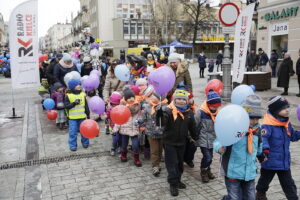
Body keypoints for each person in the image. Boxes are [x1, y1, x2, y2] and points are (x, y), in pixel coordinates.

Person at [215, 94, 263, 200]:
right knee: (235, 197)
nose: (254, 121)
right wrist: (220, 147)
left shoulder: (257, 130)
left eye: (257, 118)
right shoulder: (234, 126)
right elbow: (219, 139)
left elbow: (259, 145)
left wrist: (262, 155)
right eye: (251, 118)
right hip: (233, 172)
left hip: (249, 172)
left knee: (250, 197)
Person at [256, 96, 300, 200]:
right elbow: (264, 138)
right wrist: (265, 150)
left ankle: (293, 198)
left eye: (288, 107)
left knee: (289, 184)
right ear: (275, 110)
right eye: (284, 108)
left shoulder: (286, 123)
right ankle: (260, 194)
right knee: (264, 181)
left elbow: (292, 135)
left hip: (284, 162)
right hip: (270, 161)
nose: (287, 110)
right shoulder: (268, 124)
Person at [162, 88, 198, 196]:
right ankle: (173, 184)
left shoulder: (189, 113)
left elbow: (192, 127)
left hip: (182, 142)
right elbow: (162, 123)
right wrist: (160, 114)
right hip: (169, 142)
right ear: (174, 99)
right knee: (172, 164)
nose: (181, 101)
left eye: (184, 99)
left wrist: (195, 137)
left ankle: (178, 180)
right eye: (179, 99)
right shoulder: (168, 111)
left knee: (179, 164)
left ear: (187, 101)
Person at [137, 92, 168, 176]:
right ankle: (155, 166)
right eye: (151, 96)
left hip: (162, 133)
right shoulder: (148, 107)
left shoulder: (165, 107)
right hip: (151, 133)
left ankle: (157, 164)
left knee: (160, 149)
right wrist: (138, 122)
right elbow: (143, 118)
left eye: (154, 96)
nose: (151, 98)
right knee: (154, 150)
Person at [195, 90, 221, 183]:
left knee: (210, 156)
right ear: (209, 104)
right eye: (214, 106)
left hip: (212, 139)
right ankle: (203, 172)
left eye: (217, 106)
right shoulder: (201, 112)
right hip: (203, 138)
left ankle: (208, 169)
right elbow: (194, 124)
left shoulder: (217, 113)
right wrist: (192, 136)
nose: (215, 108)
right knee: (207, 157)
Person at [113, 88, 142, 167]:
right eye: (129, 98)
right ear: (125, 99)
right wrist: (115, 129)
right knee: (124, 144)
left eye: (132, 97)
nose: (131, 99)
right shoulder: (122, 107)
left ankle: (136, 158)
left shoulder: (138, 105)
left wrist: (141, 123)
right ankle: (123, 155)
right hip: (124, 128)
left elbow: (140, 116)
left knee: (135, 145)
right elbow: (118, 119)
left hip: (134, 128)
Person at [64, 79, 90, 151]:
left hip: (82, 117)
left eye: (79, 84)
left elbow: (86, 106)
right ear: (73, 87)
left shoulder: (83, 94)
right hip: (72, 118)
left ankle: (85, 142)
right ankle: (72, 145)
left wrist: (88, 115)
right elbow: (66, 106)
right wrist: (74, 103)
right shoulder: (68, 96)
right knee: (73, 132)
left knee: (84, 131)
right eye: (77, 84)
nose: (79, 85)